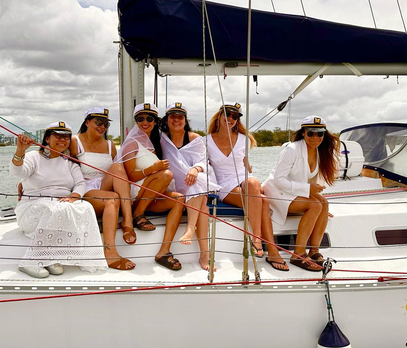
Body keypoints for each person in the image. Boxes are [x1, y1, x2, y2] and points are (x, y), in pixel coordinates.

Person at [10, 122, 107, 278]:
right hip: (32, 208)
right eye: (58, 136)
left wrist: (73, 197)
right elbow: (18, 172)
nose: (63, 140)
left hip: (61, 204)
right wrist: (20, 152)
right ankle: (30, 261)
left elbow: (80, 184)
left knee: (86, 207)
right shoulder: (33, 157)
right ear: (47, 139)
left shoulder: (69, 162)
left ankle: (52, 256)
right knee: (54, 208)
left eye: (66, 137)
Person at [206, 103, 288, 272]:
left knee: (252, 182)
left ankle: (256, 239)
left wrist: (248, 166)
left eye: (235, 116)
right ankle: (271, 251)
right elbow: (202, 164)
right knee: (263, 202)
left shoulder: (244, 139)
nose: (230, 119)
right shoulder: (206, 141)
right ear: (219, 116)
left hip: (245, 180)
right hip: (225, 186)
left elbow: (246, 167)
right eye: (227, 115)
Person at [262, 115, 338, 272]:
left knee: (324, 203)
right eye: (311, 133)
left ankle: (314, 251)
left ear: (324, 134)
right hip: (276, 191)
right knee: (315, 206)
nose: (315, 137)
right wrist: (308, 189)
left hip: (294, 190)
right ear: (303, 133)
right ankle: (298, 254)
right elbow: (278, 180)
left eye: (320, 133)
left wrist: (322, 208)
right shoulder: (291, 150)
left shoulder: (320, 152)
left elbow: (311, 181)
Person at [117, 103, 186, 271]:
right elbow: (131, 175)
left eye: (150, 118)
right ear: (136, 121)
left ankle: (164, 251)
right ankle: (137, 214)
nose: (145, 122)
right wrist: (153, 169)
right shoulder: (131, 143)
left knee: (179, 199)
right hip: (136, 195)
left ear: (155, 121)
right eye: (140, 118)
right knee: (166, 174)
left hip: (150, 196)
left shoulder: (151, 142)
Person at [69, 107, 135, 270]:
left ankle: (128, 222)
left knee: (118, 167)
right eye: (98, 122)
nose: (102, 127)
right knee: (112, 199)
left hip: (105, 185)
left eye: (105, 123)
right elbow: (61, 165)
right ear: (87, 122)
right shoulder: (74, 141)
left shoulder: (110, 145)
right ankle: (110, 253)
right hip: (86, 187)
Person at [160, 102, 220, 271]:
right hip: (172, 184)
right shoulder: (161, 138)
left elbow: (203, 162)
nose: (176, 120)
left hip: (192, 182)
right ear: (167, 119)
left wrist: (195, 169)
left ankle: (190, 228)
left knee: (198, 182)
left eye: (180, 117)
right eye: (173, 116)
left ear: (185, 121)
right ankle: (205, 254)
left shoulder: (195, 139)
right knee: (202, 204)